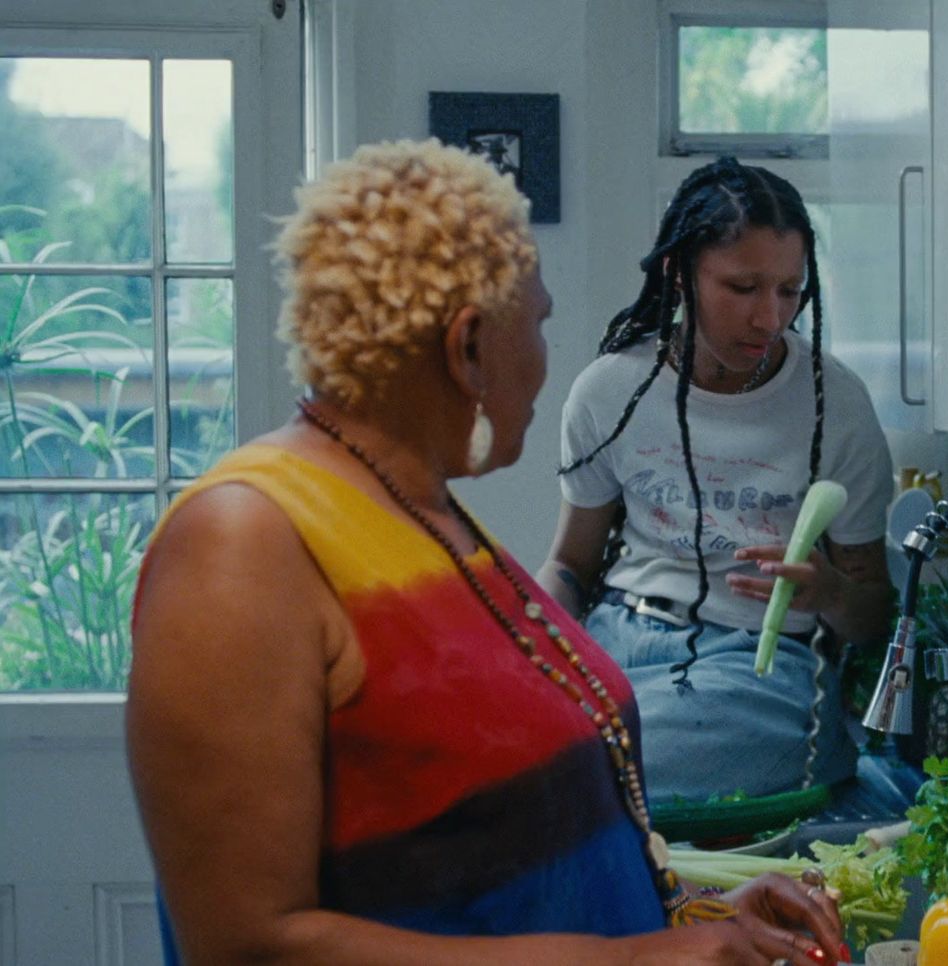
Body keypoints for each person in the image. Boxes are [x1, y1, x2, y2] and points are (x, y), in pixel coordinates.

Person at [126, 139, 844, 965]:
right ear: (469, 346)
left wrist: (685, 912)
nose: (546, 361)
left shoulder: (432, 522)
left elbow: (488, 861)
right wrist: (629, 961)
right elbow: (246, 945)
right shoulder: (242, 544)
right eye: (538, 323)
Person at [538, 157, 896, 804]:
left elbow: (873, 617)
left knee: (586, 763)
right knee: (532, 741)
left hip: (759, 668)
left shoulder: (836, 406)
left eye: (790, 290)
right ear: (679, 274)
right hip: (620, 640)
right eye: (743, 287)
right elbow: (570, 564)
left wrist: (829, 592)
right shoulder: (611, 392)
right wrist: (530, 663)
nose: (771, 317)